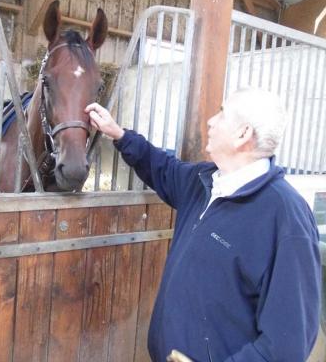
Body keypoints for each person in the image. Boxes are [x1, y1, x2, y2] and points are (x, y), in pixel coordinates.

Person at [85, 87, 321, 362]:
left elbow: (286, 346)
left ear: (243, 134)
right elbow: (163, 168)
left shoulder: (284, 216)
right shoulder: (205, 181)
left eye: (222, 114)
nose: (211, 121)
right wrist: (119, 135)